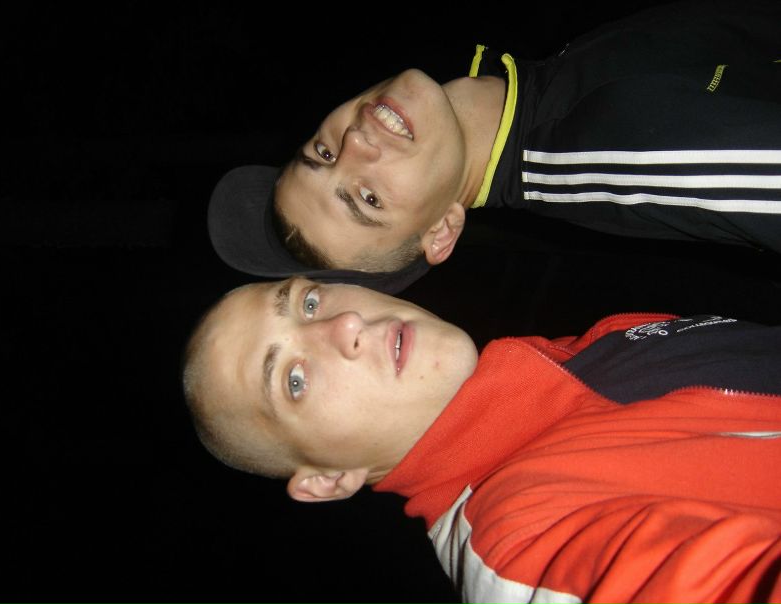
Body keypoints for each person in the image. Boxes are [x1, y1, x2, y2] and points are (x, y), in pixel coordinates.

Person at [182, 277, 781, 603]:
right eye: (294, 380)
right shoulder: (520, 547)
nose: (344, 325)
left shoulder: (588, 349)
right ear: (328, 479)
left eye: (308, 301)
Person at [207, 0, 781, 294]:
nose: (355, 141)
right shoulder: (608, 152)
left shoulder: (525, 83)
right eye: (367, 198)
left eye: (323, 154)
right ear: (442, 230)